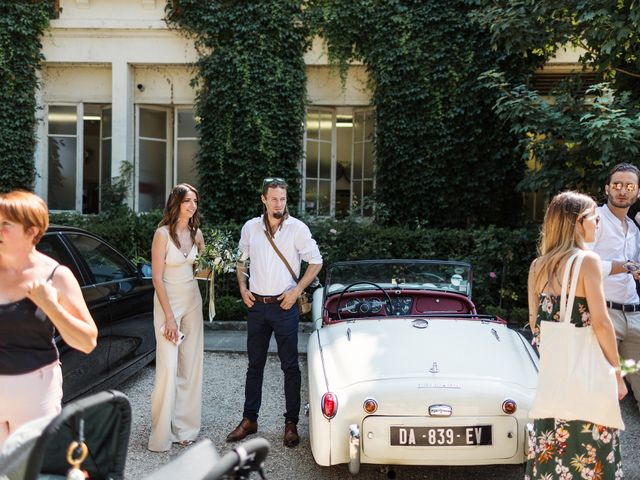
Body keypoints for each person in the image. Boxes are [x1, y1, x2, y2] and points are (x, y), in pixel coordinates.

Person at [526, 191, 627, 479]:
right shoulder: (587, 261)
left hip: (554, 384)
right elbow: (602, 323)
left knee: (553, 454)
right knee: (590, 451)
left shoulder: (538, 266)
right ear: (577, 222)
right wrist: (617, 373)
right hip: (586, 382)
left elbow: (535, 325)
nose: (598, 223)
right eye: (594, 217)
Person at [226, 177, 322, 447]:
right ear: (264, 199)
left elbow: (316, 262)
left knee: (290, 366)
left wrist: (296, 291)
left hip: (284, 307)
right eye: (274, 198)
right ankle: (249, 419)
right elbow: (241, 260)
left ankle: (290, 423)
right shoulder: (251, 227)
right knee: (254, 365)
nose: (279, 203)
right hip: (256, 306)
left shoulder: (297, 229)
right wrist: (242, 287)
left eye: (283, 198)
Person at [0, 190, 97, 448]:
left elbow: (87, 341)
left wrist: (50, 306)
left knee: (31, 471)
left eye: (5, 225)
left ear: (31, 231)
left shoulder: (56, 275)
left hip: (35, 394)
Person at [148, 183, 205, 452]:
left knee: (191, 366)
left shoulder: (197, 234)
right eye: (187, 201)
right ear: (176, 204)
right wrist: (169, 317)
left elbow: (203, 270)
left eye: (195, 201)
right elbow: (156, 278)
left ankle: (185, 428)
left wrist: (217, 264)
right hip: (167, 303)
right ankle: (161, 431)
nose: (192, 206)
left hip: (193, 300)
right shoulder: (161, 234)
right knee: (168, 367)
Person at [588, 162, 640, 411]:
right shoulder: (594, 219)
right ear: (607, 188)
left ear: (638, 192)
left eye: (629, 186)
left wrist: (634, 270)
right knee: (604, 384)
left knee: (636, 374)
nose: (622, 190)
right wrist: (624, 266)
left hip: (634, 314)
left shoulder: (634, 228)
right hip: (605, 314)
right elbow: (581, 264)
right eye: (617, 185)